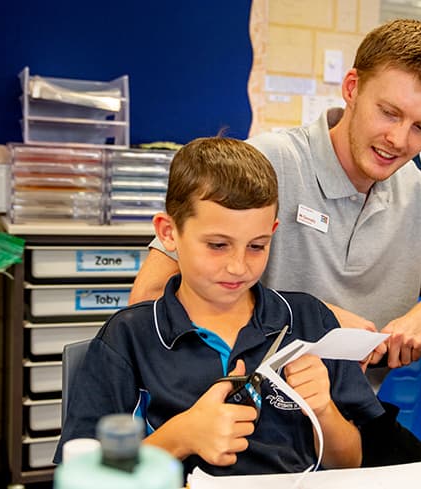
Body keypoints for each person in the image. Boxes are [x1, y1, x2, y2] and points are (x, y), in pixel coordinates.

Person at [129, 18, 421, 372]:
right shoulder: (266, 163)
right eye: (388, 113)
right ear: (352, 87)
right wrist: (312, 319)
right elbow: (149, 298)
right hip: (246, 399)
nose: (399, 140)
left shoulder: (413, 189)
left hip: (354, 405)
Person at [56, 137, 384, 476]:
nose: (238, 267)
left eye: (257, 246)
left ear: (272, 232)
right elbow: (83, 474)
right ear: (168, 233)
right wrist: (179, 437)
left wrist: (324, 410)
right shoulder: (129, 337)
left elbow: (350, 463)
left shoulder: (309, 320)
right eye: (217, 245)